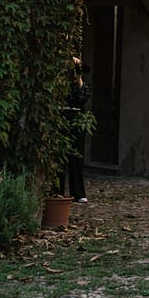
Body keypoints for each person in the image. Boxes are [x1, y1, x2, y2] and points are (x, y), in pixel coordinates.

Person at [59, 57, 89, 203]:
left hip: (76, 122)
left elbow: (82, 98)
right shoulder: (60, 85)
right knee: (59, 158)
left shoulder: (82, 87)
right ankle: (56, 191)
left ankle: (78, 192)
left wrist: (79, 79)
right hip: (62, 120)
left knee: (76, 157)